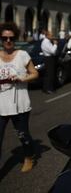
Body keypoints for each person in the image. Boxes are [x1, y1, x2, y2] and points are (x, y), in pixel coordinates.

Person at [0, 22, 39, 172]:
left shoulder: (23, 55)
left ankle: (29, 156)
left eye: (11, 38)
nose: (8, 41)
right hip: (1, 104)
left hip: (20, 103)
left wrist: (22, 79)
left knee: (23, 135)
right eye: (4, 38)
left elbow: (35, 73)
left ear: (15, 38)